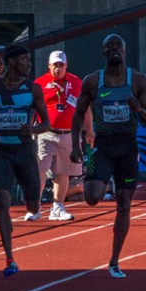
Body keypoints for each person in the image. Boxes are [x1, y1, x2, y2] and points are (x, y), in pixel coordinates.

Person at [70, 34, 146, 278]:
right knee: (93, 198)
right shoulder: (93, 81)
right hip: (103, 145)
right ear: (104, 52)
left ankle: (114, 260)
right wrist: (76, 145)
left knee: (124, 205)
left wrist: (137, 109)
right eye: (109, 46)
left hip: (128, 147)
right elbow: (78, 113)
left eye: (119, 45)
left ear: (125, 51)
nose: (114, 48)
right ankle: (102, 176)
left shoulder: (137, 80)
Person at [0, 45, 51, 277]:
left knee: (33, 207)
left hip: (25, 154)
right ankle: (9, 257)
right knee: (2, 201)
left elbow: (47, 124)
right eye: (26, 60)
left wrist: (32, 129)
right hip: (3, 152)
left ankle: (16, 220)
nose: (30, 64)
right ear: (13, 62)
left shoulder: (33, 89)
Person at [33, 50, 92, 221]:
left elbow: (85, 107)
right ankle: (35, 206)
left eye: (61, 65)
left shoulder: (75, 82)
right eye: (55, 65)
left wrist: (89, 130)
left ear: (66, 65)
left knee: (64, 171)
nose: (58, 68)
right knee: (40, 169)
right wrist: (31, 130)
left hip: (69, 133)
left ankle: (57, 207)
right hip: (45, 133)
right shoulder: (40, 83)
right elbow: (33, 107)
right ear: (49, 65)